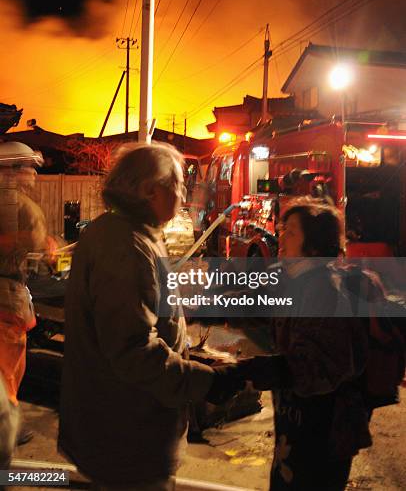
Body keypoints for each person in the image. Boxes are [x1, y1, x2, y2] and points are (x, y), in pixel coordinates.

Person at [58, 142, 243, 490]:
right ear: (150, 190)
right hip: (127, 440)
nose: (184, 193)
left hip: (119, 432)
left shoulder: (126, 233)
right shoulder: (126, 246)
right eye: (179, 185)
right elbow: (133, 351)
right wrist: (205, 381)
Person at [239, 198, 371, 491]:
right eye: (283, 228)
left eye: (293, 232)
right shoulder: (298, 282)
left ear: (313, 245)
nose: (281, 236)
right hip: (295, 427)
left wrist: (246, 372)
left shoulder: (324, 289)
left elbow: (316, 370)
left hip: (323, 432)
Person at [0, 142, 47, 446]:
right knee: (8, 370)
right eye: (28, 167)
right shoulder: (22, 207)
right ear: (11, 170)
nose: (33, 173)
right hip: (6, 298)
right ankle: (6, 428)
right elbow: (36, 244)